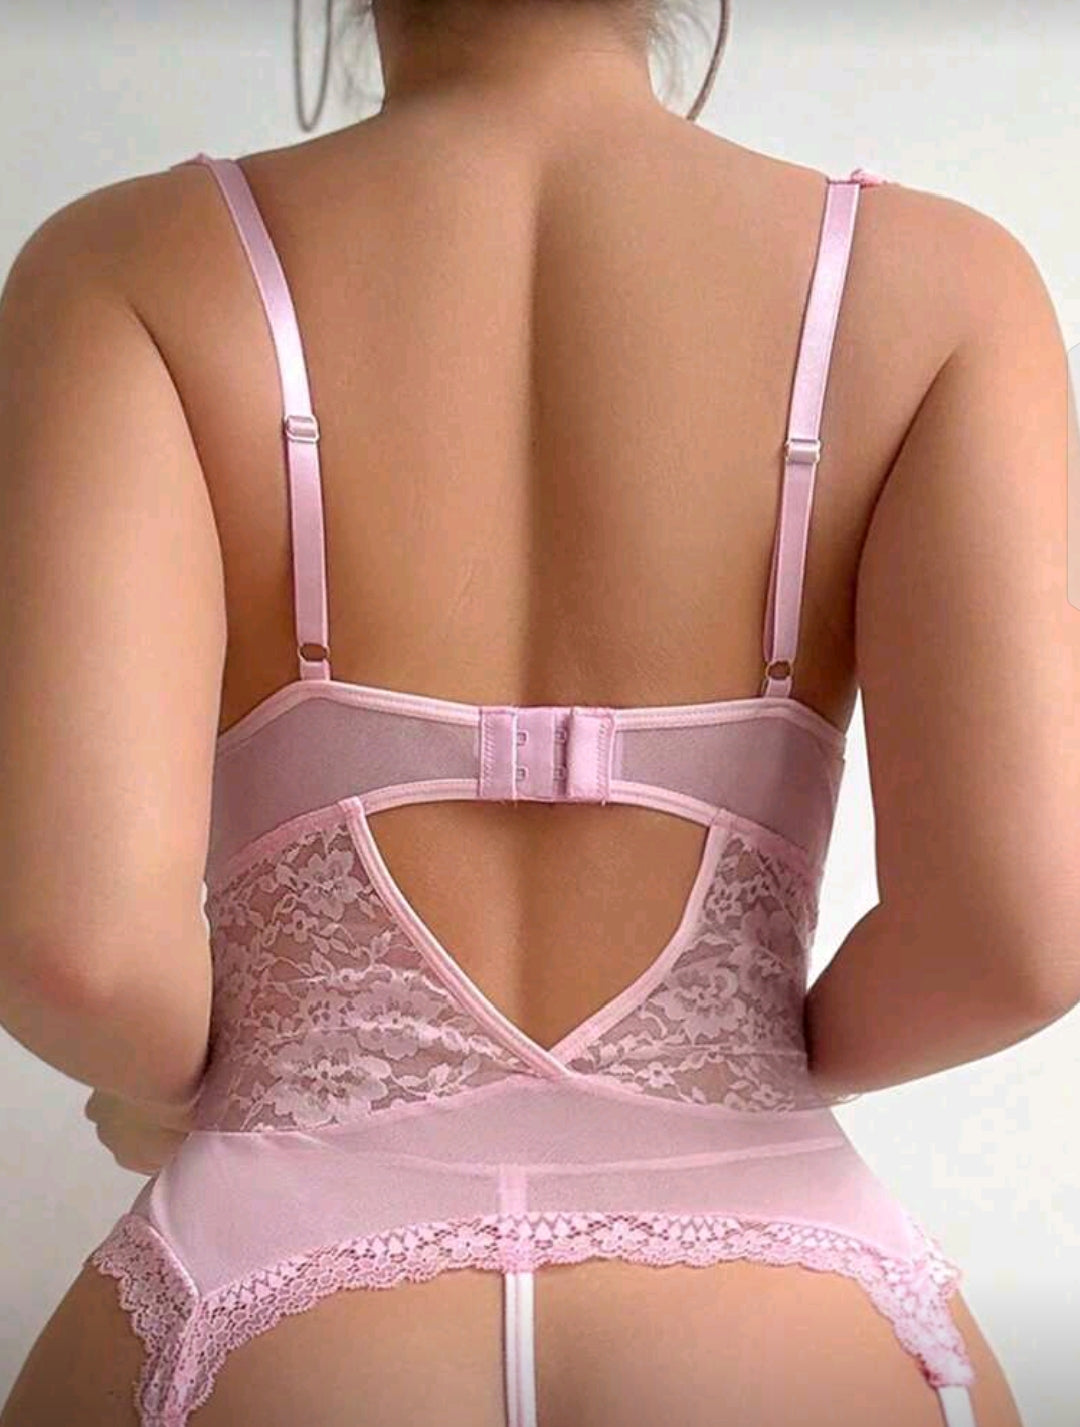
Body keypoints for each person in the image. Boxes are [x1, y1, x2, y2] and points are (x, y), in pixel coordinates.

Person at [1, 2, 1075, 1424]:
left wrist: (164, 1090)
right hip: (785, 1319)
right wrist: (718, 1077)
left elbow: (78, 958)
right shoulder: (944, 284)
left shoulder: (125, 265)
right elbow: (1016, 942)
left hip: (267, 1299)